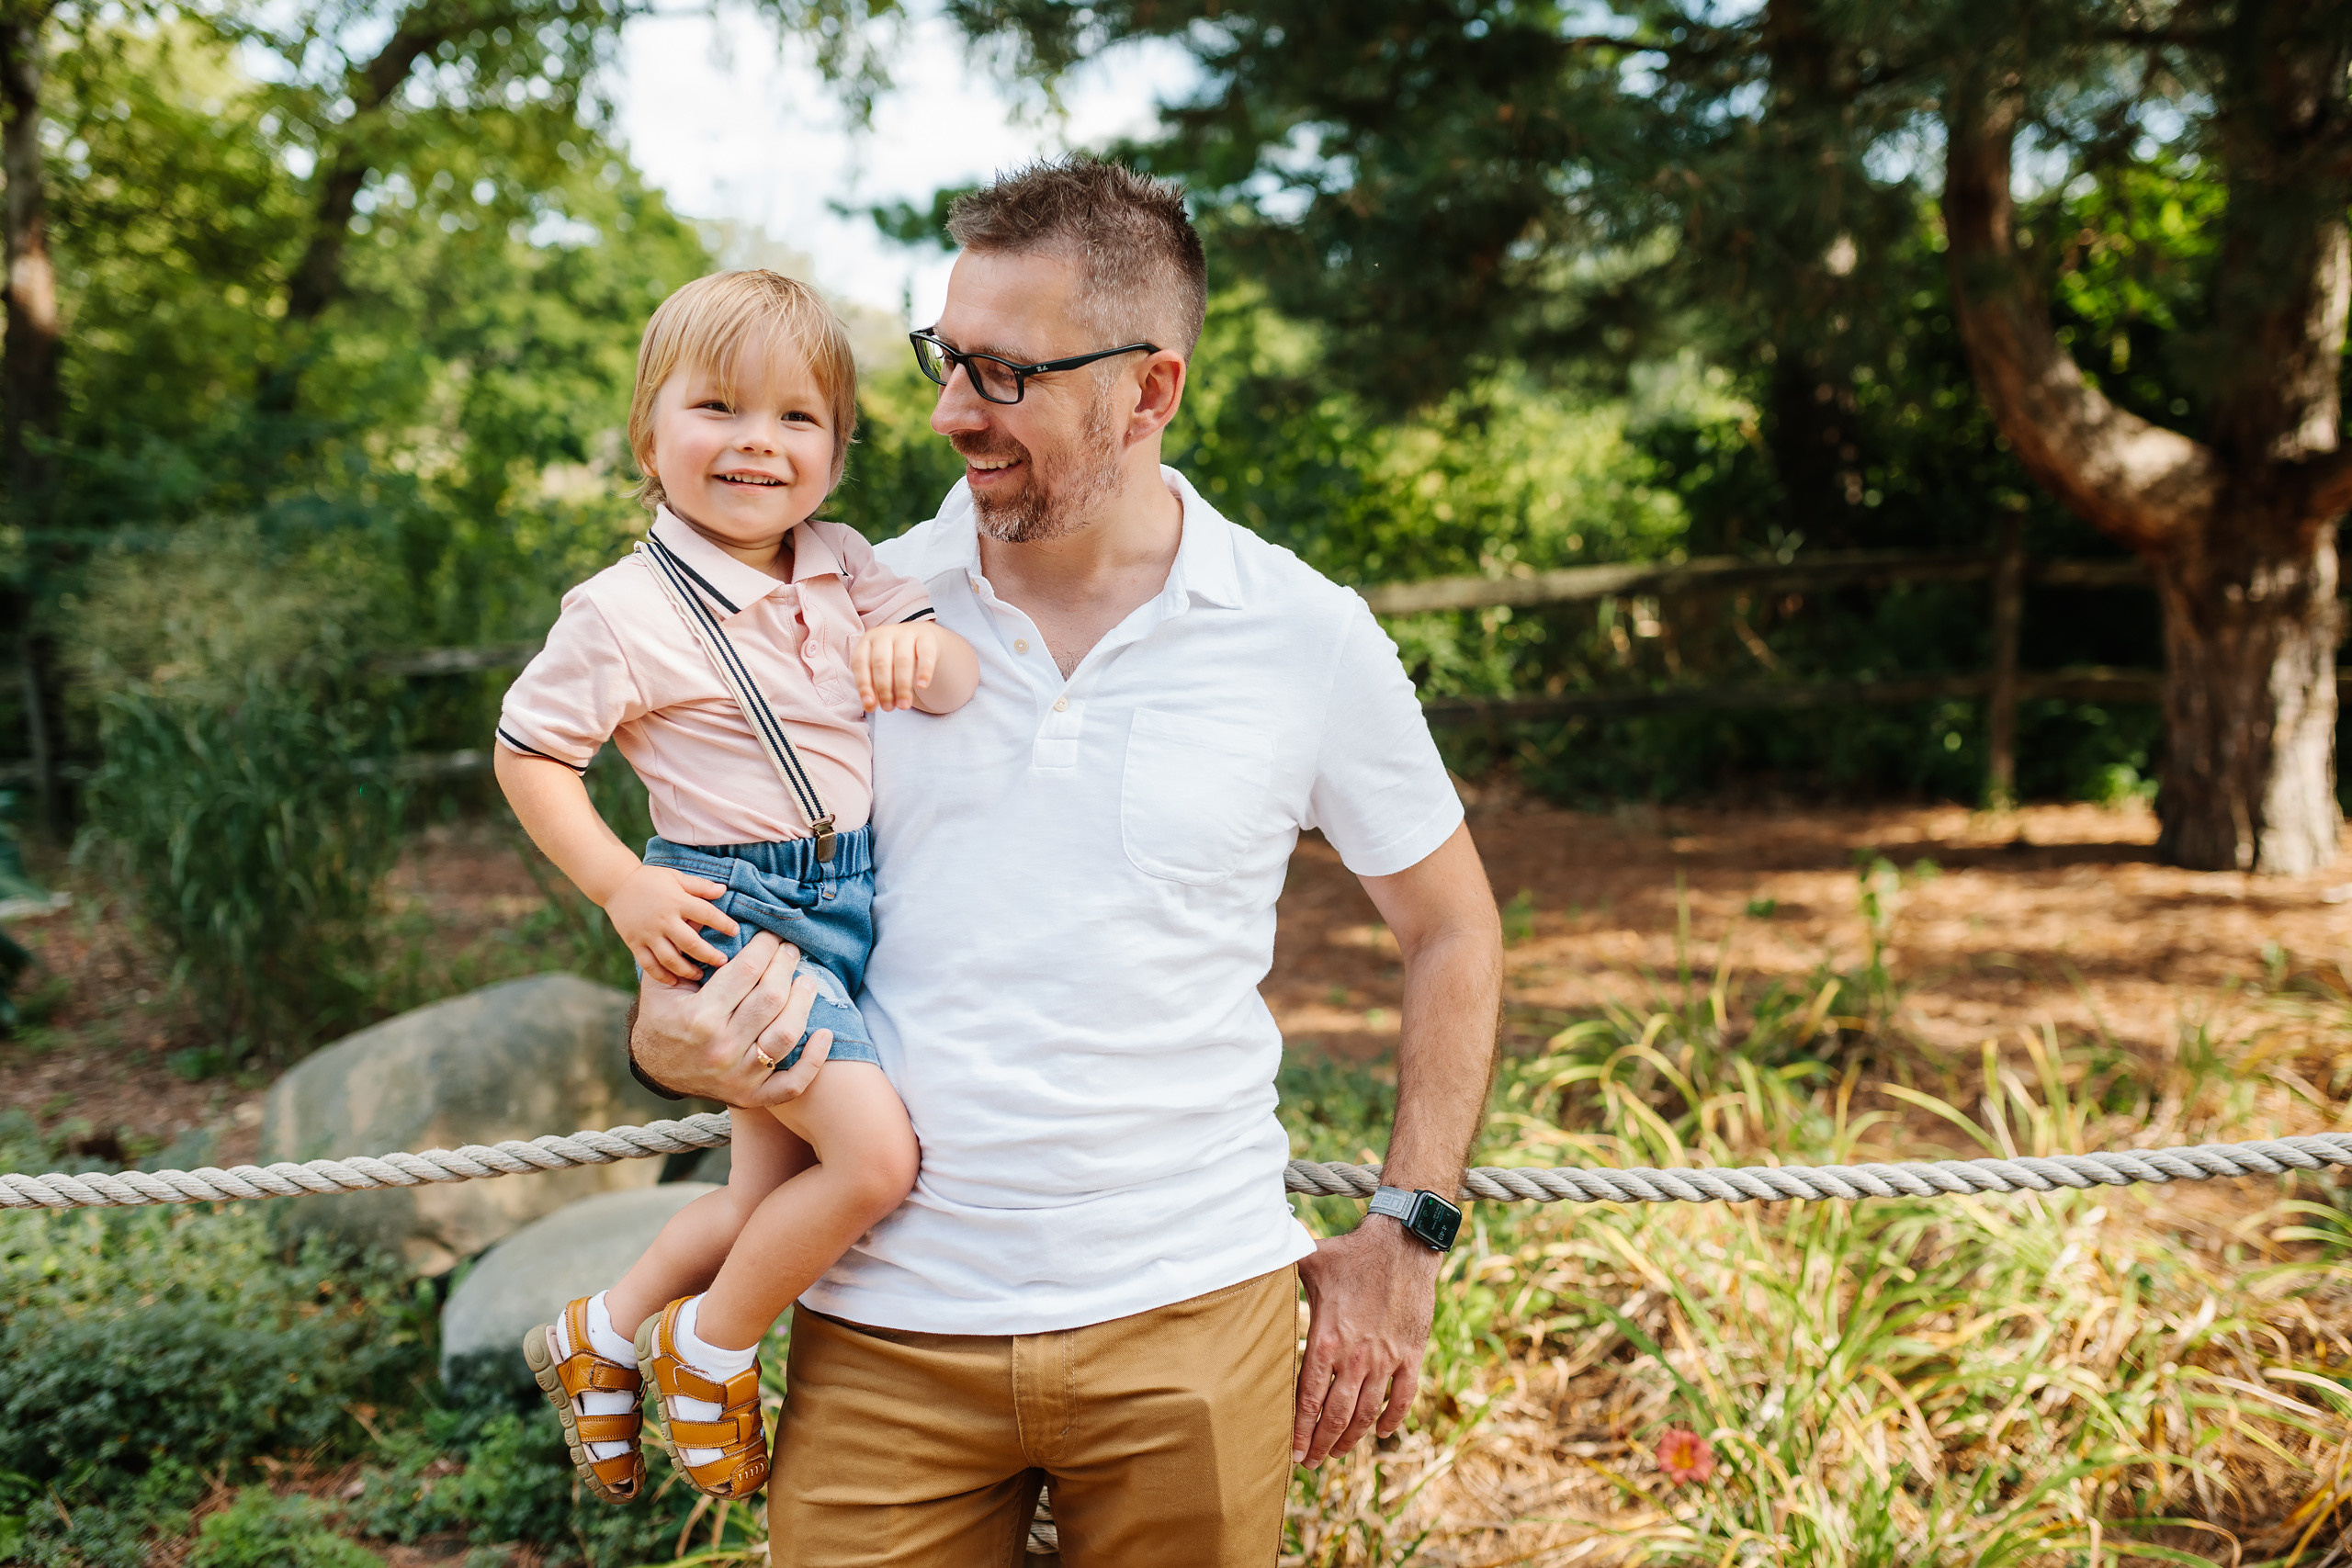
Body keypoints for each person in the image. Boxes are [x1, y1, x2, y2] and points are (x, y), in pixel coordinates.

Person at [628, 160, 1503, 1567]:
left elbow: (1452, 928)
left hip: (1192, 1321)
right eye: (944, 356)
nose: (948, 410)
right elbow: (716, 914)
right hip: (884, 1328)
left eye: (1003, 372)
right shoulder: (835, 617)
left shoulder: (1305, 635)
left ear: (1147, 391)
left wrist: (1407, 1231)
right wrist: (674, 1027)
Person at [493, 269, 978, 1506]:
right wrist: (618, 889)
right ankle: (709, 1351)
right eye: (718, 408)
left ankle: (599, 1329)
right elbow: (532, 754)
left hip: (846, 905)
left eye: (797, 418)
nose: (758, 443)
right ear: (650, 433)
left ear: (838, 448)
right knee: (873, 1165)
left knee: (768, 1195)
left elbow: (953, 673)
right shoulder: (621, 610)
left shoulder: (844, 561)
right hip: (737, 915)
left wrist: (929, 653)